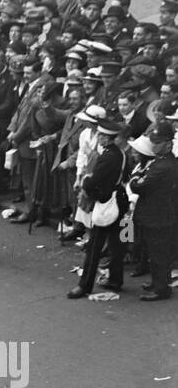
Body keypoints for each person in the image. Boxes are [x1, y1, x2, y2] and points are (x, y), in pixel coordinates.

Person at [67, 119, 127, 299]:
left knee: (94, 245)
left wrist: (86, 184)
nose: (98, 137)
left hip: (107, 202)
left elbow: (93, 181)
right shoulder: (121, 154)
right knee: (118, 244)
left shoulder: (107, 157)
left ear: (107, 138)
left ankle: (84, 285)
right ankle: (116, 280)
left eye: (101, 135)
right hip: (120, 200)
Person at [128, 123, 178, 302]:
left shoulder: (164, 166)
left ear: (168, 143)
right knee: (154, 252)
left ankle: (161, 289)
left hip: (159, 217)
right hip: (156, 215)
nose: (153, 145)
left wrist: (135, 178)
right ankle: (158, 282)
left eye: (157, 142)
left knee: (159, 255)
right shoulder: (161, 161)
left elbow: (138, 186)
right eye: (153, 141)